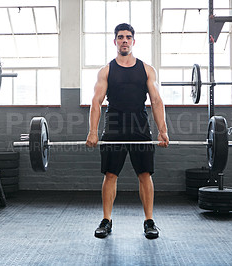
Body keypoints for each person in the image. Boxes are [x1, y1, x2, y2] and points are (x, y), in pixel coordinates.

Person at [86, 23, 169, 239]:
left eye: (128, 37)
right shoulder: (106, 70)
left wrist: (163, 131)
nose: (124, 40)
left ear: (133, 41)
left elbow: (157, 101)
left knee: (144, 174)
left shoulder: (146, 69)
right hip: (114, 126)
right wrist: (92, 131)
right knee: (110, 175)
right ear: (115, 41)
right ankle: (106, 220)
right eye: (121, 37)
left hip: (140, 126)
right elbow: (96, 102)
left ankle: (149, 221)